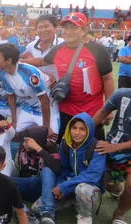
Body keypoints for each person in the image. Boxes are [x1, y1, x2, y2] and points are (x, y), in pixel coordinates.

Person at [41, 12, 114, 141]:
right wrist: (18, 61)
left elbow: (107, 79)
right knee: (66, 148)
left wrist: (108, 108)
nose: (69, 32)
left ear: (84, 30)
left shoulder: (98, 50)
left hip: (93, 111)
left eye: (74, 28)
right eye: (66, 28)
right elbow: (42, 62)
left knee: (93, 151)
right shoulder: (57, 50)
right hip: (66, 111)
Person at [43, 112, 106, 224]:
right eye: (74, 128)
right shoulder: (66, 144)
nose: (77, 132)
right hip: (69, 183)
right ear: (69, 129)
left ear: (89, 130)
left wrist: (64, 186)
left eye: (82, 129)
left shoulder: (98, 147)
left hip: (89, 188)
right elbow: (63, 169)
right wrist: (59, 185)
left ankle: (84, 218)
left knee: (82, 190)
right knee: (37, 208)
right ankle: (71, 201)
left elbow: (93, 175)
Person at [0, 43, 55, 137]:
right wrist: (14, 121)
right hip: (28, 108)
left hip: (47, 109)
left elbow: (45, 101)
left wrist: (46, 127)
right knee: (14, 134)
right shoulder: (3, 74)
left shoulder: (29, 73)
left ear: (9, 60)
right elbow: (11, 97)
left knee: (50, 139)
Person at [93, 89, 131, 224]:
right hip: (112, 149)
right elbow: (102, 113)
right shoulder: (122, 94)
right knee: (104, 182)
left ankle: (119, 214)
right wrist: (85, 131)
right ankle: (116, 188)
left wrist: (115, 147)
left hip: (121, 150)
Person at [11, 126, 61, 224]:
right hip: (28, 185)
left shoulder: (51, 149)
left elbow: (57, 168)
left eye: (27, 141)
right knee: (3, 181)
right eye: (24, 141)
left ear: (37, 141)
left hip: (46, 188)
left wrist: (38, 148)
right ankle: (26, 215)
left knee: (47, 170)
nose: (24, 143)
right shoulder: (23, 148)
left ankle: (47, 213)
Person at [21, 14, 64, 83]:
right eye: (40, 27)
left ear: (55, 28)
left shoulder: (63, 44)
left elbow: (42, 61)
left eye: (46, 26)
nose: (43, 30)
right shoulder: (30, 47)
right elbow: (26, 67)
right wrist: (43, 74)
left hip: (58, 89)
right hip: (37, 90)